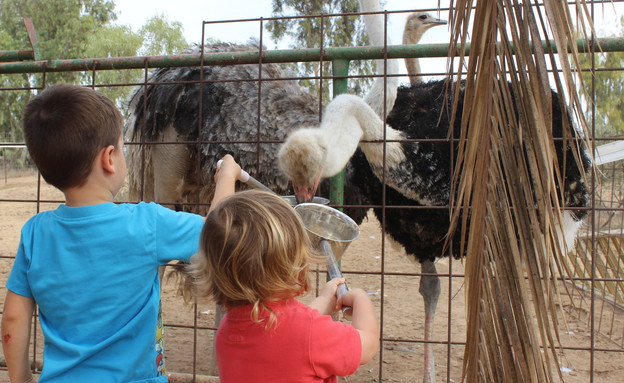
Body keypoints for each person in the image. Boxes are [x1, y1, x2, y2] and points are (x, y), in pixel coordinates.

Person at [1, 83, 243, 383]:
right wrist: (227, 177)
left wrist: (21, 379)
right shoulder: (147, 223)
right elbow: (217, 231)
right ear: (110, 158)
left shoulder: (35, 234)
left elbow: (14, 317)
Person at [185, 189, 380, 382]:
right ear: (291, 266)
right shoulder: (309, 334)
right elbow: (367, 346)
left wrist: (323, 301)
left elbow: (283, 330)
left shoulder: (228, 330)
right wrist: (361, 300)